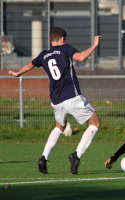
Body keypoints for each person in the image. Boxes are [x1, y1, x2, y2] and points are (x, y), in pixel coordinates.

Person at [8, 27, 103, 175]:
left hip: (56, 99)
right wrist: (94, 45)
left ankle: (44, 157)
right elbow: (81, 57)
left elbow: (30, 65)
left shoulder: (44, 55)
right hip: (71, 95)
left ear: (51, 40)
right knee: (95, 123)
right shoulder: (66, 49)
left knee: (60, 126)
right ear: (63, 39)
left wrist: (17, 73)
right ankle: (76, 155)